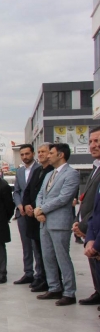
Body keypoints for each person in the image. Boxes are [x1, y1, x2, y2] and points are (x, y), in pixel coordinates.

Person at [35, 143, 80, 306]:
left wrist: (41, 209)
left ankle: (69, 292)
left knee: (62, 257)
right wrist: (38, 209)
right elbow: (41, 194)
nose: (48, 155)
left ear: (61, 155)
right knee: (47, 256)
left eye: (51, 153)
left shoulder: (71, 174)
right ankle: (54, 287)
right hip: (45, 222)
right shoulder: (50, 174)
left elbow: (64, 198)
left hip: (59, 221)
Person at [73, 126, 100, 305]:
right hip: (91, 231)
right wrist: (79, 223)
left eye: (97, 141)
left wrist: (85, 228)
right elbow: (89, 202)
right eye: (90, 141)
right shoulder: (95, 168)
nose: (92, 145)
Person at [22, 142, 54, 292]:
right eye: (39, 152)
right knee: (38, 250)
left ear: (51, 153)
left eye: (43, 152)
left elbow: (46, 194)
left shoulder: (52, 171)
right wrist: (26, 204)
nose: (40, 154)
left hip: (43, 216)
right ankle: (40, 277)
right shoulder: (38, 171)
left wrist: (35, 207)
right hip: (31, 216)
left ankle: (49, 280)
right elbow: (28, 190)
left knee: (47, 251)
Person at [12, 144, 39, 285]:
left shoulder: (39, 169)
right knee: (26, 244)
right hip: (22, 213)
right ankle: (28, 272)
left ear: (33, 154)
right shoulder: (20, 171)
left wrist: (32, 207)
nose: (24, 157)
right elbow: (16, 191)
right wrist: (19, 205)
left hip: (35, 213)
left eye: (27, 154)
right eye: (22, 154)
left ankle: (39, 273)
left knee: (36, 244)